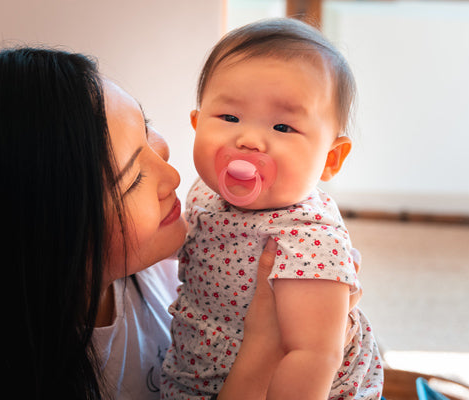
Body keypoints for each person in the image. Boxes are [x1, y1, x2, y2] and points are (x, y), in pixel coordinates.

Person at [0, 48, 360, 400]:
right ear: (45, 234)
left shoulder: (157, 266)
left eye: (147, 129)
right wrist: (263, 346)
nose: (172, 177)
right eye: (133, 177)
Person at [161, 18, 383, 400]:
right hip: (199, 370)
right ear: (197, 125)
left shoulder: (308, 238)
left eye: (283, 127)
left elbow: (313, 355)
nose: (248, 140)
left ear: (331, 157)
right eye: (229, 118)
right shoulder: (204, 191)